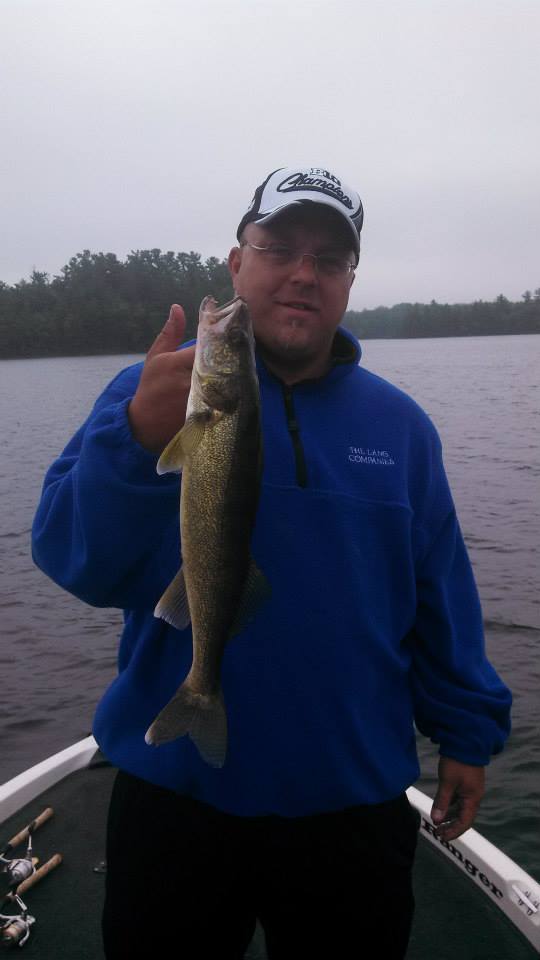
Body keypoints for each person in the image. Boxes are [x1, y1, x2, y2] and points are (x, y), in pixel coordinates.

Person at [32, 165, 512, 959]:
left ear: (350, 280)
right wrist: (135, 439)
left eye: (329, 259)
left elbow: (441, 597)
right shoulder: (150, 394)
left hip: (349, 803)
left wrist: (466, 731)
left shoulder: (401, 429)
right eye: (280, 247)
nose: (302, 274)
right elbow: (70, 559)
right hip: (175, 793)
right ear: (235, 263)